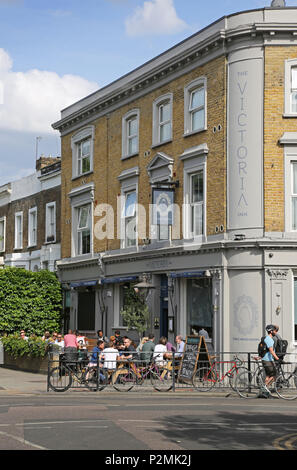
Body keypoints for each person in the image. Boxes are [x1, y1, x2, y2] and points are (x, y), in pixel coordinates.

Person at [261, 324, 279, 396]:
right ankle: (264, 387)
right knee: (275, 375)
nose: (276, 332)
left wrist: (275, 326)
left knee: (268, 376)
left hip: (266, 360)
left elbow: (268, 350)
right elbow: (271, 351)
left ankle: (265, 392)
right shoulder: (269, 339)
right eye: (275, 331)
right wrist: (277, 358)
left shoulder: (267, 338)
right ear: (271, 331)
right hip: (268, 360)